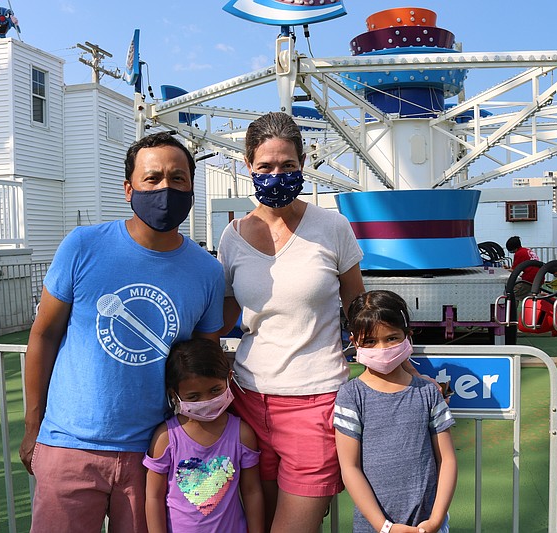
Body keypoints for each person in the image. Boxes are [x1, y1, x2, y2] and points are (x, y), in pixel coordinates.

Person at [18, 132, 225, 532]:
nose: (166, 188)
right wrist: (33, 426)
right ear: (129, 188)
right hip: (69, 447)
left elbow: (204, 367)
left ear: (192, 189)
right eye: (153, 178)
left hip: (156, 453)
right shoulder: (83, 246)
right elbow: (43, 335)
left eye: (178, 179)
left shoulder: (207, 271)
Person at [217, 111, 365, 532]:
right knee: (250, 525)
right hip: (246, 401)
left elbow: (357, 303)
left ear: (303, 164)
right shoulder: (233, 235)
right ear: (248, 165)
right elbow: (225, 313)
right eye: (265, 167)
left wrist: (397, 364)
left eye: (287, 166)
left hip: (315, 401)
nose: (276, 174)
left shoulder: (332, 227)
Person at [335, 290, 457, 533]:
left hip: (429, 525)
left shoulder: (428, 393)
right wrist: (385, 527)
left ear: (407, 336)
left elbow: (447, 459)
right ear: (354, 340)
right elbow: (349, 467)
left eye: (392, 338)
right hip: (375, 528)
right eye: (370, 341)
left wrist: (435, 520)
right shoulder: (351, 396)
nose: (382, 348)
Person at [143, 338, 264, 533]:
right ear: (174, 395)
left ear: (229, 379)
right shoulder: (166, 438)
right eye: (194, 397)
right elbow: (153, 496)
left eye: (215, 390)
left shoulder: (242, 435)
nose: (207, 400)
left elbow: (252, 491)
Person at [506, 235, 540, 300]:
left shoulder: (519, 253)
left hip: (529, 279)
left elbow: (514, 270)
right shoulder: (527, 250)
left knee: (512, 293)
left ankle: (512, 309)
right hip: (539, 277)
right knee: (533, 296)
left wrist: (506, 269)